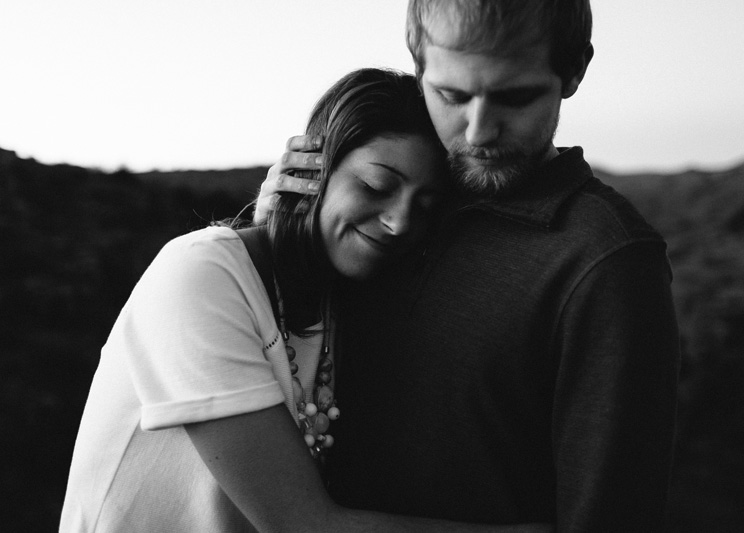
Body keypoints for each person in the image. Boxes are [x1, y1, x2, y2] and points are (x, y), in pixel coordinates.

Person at [60, 68, 552, 533]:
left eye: (424, 207)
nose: (400, 221)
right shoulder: (200, 274)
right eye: (376, 186)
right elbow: (304, 525)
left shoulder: (344, 296)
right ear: (314, 170)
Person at [254, 1, 682, 531]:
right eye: (452, 96)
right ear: (418, 65)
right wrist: (280, 231)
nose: (479, 132)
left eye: (515, 97)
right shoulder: (394, 208)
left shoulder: (606, 262)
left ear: (573, 70)